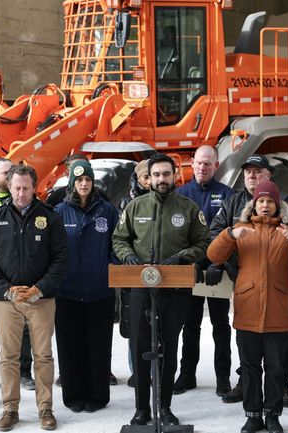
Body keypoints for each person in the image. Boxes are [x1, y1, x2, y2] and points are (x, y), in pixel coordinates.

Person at [208, 181, 288, 433]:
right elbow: (214, 256)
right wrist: (228, 235)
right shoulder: (241, 228)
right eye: (261, 201)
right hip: (247, 308)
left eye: (270, 201)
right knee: (250, 367)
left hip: (278, 309)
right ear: (253, 204)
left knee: (276, 368)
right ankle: (253, 415)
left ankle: (273, 415)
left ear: (278, 205)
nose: (266, 205)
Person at [112, 153, 209, 426]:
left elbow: (203, 242)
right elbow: (119, 238)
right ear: (149, 178)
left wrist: (183, 256)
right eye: (156, 175)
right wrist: (127, 255)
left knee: (168, 346)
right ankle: (142, 409)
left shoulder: (188, 208)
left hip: (175, 287)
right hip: (141, 286)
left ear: (174, 176)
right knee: (141, 347)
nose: (161, 179)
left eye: (166, 174)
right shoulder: (135, 207)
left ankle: (164, 407)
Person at [0, 164, 68, 431]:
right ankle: (10, 408)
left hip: (41, 299)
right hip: (7, 301)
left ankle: (45, 409)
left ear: (34, 187)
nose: (20, 193)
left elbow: (61, 259)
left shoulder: (50, 218)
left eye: (26, 188)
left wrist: (40, 288)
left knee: (43, 356)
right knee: (8, 357)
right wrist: (5, 289)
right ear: (9, 186)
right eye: (16, 187)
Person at [209, 154, 288, 406]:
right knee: (248, 341)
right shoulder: (233, 202)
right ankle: (245, 384)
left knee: (278, 339)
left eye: (258, 171)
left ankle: (282, 386)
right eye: (248, 171)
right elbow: (215, 235)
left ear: (269, 176)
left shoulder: (286, 203)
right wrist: (229, 256)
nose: (251, 175)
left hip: (275, 284)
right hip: (243, 281)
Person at [53, 160, 119, 413]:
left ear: (93, 183)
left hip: (99, 292)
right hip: (67, 292)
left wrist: (107, 268)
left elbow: (118, 242)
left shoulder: (107, 211)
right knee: (70, 346)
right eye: (79, 180)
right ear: (72, 183)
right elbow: (53, 250)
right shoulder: (59, 212)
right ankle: (73, 394)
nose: (83, 184)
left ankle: (97, 395)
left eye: (87, 180)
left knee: (98, 346)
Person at [173, 145, 235, 396]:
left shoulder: (228, 195)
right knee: (190, 324)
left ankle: (223, 378)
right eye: (198, 163)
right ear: (191, 163)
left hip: (217, 269)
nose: (202, 168)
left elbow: (231, 233)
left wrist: (217, 263)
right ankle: (187, 375)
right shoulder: (181, 194)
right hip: (191, 270)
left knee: (220, 324)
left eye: (207, 164)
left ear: (216, 166)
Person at [0, 157, 36, 391]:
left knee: (24, 332)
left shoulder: (26, 201)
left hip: (22, 279)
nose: (9, 175)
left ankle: (24, 371)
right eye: (5, 173)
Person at [117, 158, 151, 389]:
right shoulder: (125, 205)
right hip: (134, 275)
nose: (150, 181)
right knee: (135, 324)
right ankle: (137, 371)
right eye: (145, 177)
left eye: (153, 176)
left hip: (164, 274)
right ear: (136, 180)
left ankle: (158, 371)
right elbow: (119, 239)